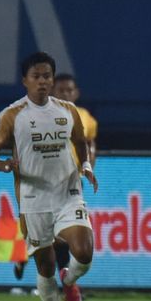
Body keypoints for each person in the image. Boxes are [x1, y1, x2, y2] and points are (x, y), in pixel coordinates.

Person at [0, 52, 98, 301]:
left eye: (47, 76)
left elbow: (80, 142)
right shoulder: (12, 115)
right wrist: (6, 165)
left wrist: (86, 167)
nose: (43, 81)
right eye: (36, 76)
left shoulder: (67, 111)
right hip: (33, 199)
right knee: (45, 267)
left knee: (84, 251)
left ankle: (69, 281)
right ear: (25, 80)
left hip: (67, 191)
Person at [50, 73, 98, 275]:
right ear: (52, 91)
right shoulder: (43, 115)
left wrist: (88, 166)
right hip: (46, 181)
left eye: (69, 90)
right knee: (50, 233)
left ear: (76, 93)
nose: (65, 94)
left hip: (72, 180)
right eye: (61, 90)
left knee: (65, 232)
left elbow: (90, 143)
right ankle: (60, 277)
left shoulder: (84, 116)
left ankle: (65, 277)